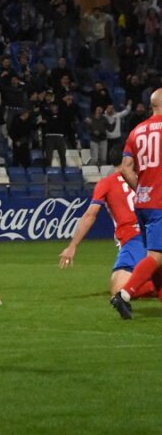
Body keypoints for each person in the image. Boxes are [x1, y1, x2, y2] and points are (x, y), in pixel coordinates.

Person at [59, 150, 155, 298]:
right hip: (152, 233)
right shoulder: (145, 179)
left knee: (119, 290)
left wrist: (73, 245)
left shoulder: (106, 183)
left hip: (133, 238)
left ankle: (153, 284)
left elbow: (90, 215)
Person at [112, 88, 162, 319]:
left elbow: (125, 168)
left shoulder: (136, 131)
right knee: (156, 257)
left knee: (158, 256)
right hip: (160, 201)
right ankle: (124, 294)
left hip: (143, 202)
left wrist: (141, 189)